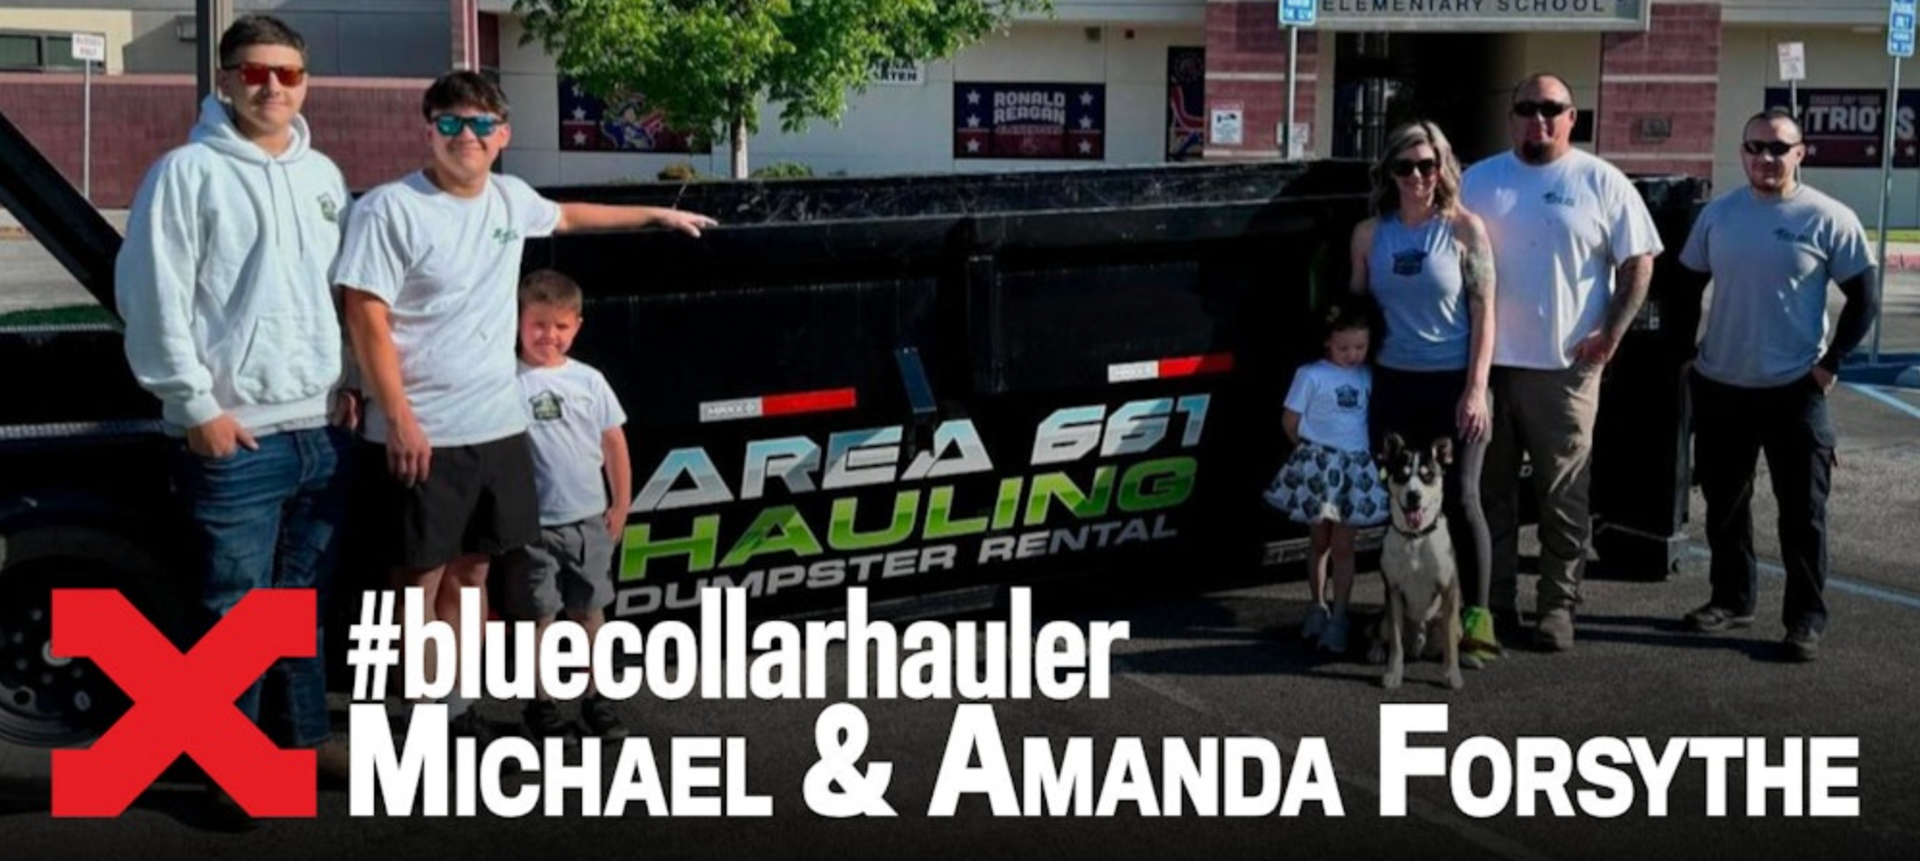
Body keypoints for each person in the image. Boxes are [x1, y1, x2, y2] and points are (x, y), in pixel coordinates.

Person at [331, 71, 715, 736]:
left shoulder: (510, 201)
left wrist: (657, 214)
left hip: (496, 428)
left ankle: (457, 707)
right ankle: (423, 717)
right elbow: (364, 314)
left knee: (472, 573)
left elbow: (569, 215)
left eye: (482, 124)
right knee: (417, 584)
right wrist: (399, 416)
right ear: (428, 130)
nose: (467, 135)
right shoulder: (390, 209)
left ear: (503, 134)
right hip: (423, 432)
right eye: (451, 122)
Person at [114, 14, 352, 827]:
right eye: (254, 72)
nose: (272, 87)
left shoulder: (323, 173)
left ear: (306, 82)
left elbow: (339, 294)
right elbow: (151, 295)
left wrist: (348, 382)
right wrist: (195, 406)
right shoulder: (185, 173)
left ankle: (303, 738)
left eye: (288, 73)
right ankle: (228, 762)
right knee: (236, 611)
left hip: (320, 428)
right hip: (237, 434)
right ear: (224, 79)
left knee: (299, 600)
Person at [1460, 73, 1663, 651]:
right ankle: (1494, 603)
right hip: (1489, 369)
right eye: (1526, 108)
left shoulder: (1600, 181)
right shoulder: (1478, 181)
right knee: (1490, 496)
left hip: (1566, 370)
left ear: (1573, 117)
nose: (1538, 119)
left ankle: (1556, 606)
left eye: (1552, 108)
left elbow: (1639, 262)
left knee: (1563, 497)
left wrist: (1612, 333)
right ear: (1511, 117)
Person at [1670, 108, 1877, 662]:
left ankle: (1804, 619)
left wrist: (1831, 364)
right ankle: (1731, 599)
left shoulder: (1828, 217)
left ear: (1800, 153)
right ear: (1742, 152)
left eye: (1778, 148)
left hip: (1794, 391)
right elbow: (1685, 287)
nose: (1765, 157)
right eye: (1755, 147)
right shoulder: (1719, 216)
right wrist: (1687, 356)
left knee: (1803, 513)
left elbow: (1865, 298)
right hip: (1722, 385)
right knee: (1724, 507)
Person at [1349, 120, 1502, 663]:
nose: (1417, 176)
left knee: (1460, 498)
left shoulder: (1465, 230)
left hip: (1452, 384)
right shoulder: (1370, 235)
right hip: (1392, 385)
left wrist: (1476, 389)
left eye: (1427, 165)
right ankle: (1404, 621)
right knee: (1400, 504)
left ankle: (1476, 619)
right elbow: (1356, 316)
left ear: (1442, 169)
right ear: (1389, 172)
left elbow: (1484, 312)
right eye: (1405, 166)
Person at [500, 269, 632, 738]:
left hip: (589, 521)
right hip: (531, 527)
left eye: (560, 326)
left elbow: (613, 444)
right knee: (538, 617)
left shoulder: (589, 381)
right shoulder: (505, 380)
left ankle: (596, 697)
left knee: (590, 613)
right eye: (538, 324)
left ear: (577, 326)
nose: (548, 335)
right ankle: (541, 704)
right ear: (518, 321)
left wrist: (621, 503)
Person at [1263, 304, 1390, 654]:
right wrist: (1311, 454)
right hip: (1319, 468)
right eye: (1344, 347)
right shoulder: (1310, 375)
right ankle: (1317, 605)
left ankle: (1340, 616)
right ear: (1327, 342)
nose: (1353, 355)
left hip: (1354, 470)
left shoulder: (1367, 375)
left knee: (1344, 547)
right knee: (1318, 542)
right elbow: (1290, 421)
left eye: (1360, 347)